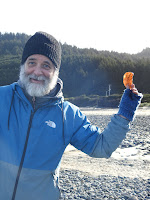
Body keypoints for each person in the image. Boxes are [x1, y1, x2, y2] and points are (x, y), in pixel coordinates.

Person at [0, 31, 143, 200]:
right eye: (32, 62)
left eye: (46, 65)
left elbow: (102, 147)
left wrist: (125, 112)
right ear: (23, 65)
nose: (37, 71)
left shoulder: (68, 115)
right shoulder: (2, 98)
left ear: (56, 71)